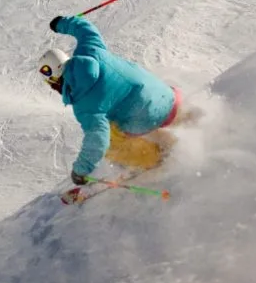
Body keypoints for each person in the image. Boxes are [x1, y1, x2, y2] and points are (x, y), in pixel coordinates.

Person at [40, 15, 182, 183]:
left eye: (50, 82)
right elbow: (85, 28)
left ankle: (157, 157)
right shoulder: (91, 49)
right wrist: (61, 23)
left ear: (56, 78)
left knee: (110, 141)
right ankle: (186, 118)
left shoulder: (84, 104)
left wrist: (80, 170)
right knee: (139, 99)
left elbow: (98, 140)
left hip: (149, 119)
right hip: (170, 97)